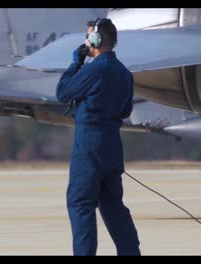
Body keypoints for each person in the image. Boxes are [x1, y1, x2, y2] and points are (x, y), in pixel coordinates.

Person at [55, 18, 140, 256]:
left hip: (89, 148)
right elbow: (125, 111)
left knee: (81, 204)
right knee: (113, 206)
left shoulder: (95, 70)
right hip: (112, 147)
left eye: (88, 36)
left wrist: (75, 63)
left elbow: (62, 92)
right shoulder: (124, 73)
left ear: (96, 39)